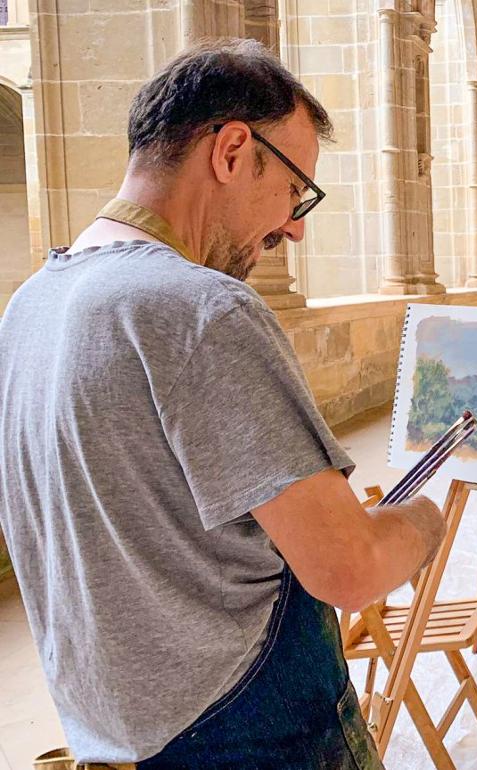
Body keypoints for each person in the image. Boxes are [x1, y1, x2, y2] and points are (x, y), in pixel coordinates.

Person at [0, 40, 447, 768]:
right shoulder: (201, 308)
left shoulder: (30, 306)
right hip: (250, 741)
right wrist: (425, 521)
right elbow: (347, 568)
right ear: (234, 151)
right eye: (297, 190)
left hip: (114, 738)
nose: (294, 226)